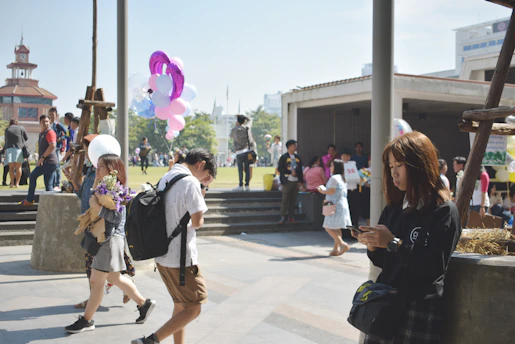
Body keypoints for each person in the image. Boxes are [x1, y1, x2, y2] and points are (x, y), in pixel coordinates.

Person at [352, 131, 461, 344]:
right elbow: (384, 262)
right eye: (390, 167)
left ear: (419, 164)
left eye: (399, 165)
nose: (393, 173)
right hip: (385, 304)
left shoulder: (444, 211)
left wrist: (393, 243)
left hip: (419, 309)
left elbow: (433, 267)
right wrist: (374, 245)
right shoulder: (394, 207)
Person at [132, 148, 216, 344]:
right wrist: (202, 191)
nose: (204, 180)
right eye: (207, 176)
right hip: (181, 257)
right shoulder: (191, 182)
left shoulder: (168, 176)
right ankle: (151, 340)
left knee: (180, 305)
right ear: (201, 165)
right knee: (195, 306)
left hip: (162, 254)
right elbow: (197, 222)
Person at [65, 154, 155, 334]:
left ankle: (87, 320)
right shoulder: (102, 186)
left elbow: (116, 217)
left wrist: (97, 207)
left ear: (112, 170)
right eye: (97, 166)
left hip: (110, 240)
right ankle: (144, 304)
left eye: (101, 166)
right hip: (107, 239)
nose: (97, 169)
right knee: (114, 278)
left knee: (96, 281)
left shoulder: (117, 189)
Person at [65, 134, 136, 309]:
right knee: (104, 271)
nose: (89, 153)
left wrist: (99, 209)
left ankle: (133, 297)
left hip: (107, 233)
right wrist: (74, 182)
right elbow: (85, 197)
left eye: (91, 147)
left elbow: (115, 212)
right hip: (93, 227)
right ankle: (127, 294)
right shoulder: (92, 171)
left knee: (106, 272)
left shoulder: (111, 182)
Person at [18, 115, 59, 206]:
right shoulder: (42, 133)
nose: (46, 123)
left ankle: (29, 199)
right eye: (44, 121)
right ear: (40, 123)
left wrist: (42, 157)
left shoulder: (50, 132)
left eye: (47, 121)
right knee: (48, 185)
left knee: (32, 176)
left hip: (49, 162)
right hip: (49, 163)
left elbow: (52, 145)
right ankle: (52, 204)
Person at [317, 159, 351, 256]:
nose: (330, 167)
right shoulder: (342, 178)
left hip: (334, 205)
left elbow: (332, 191)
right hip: (341, 205)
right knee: (336, 227)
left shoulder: (334, 178)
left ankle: (342, 244)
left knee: (328, 226)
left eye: (332, 165)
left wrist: (322, 190)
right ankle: (335, 249)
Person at [278, 140, 303, 224]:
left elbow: (300, 170)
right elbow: (280, 169)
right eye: (293, 145)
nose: (295, 147)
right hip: (287, 180)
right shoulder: (284, 157)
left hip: (296, 181)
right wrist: (289, 172)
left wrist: (301, 181)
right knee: (285, 199)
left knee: (293, 200)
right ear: (289, 146)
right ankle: (282, 216)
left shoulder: (297, 157)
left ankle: (291, 216)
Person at [229, 114, 255, 191]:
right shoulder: (247, 128)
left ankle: (241, 185)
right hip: (247, 151)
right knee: (247, 169)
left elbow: (231, 136)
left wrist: (236, 125)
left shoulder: (235, 129)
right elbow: (250, 120)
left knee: (240, 169)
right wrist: (244, 117)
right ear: (244, 121)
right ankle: (247, 185)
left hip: (239, 152)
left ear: (237, 121)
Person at [4, 119, 28, 188]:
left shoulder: (7, 129)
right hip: (19, 148)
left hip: (9, 148)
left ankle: (12, 184)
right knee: (18, 167)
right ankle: (17, 184)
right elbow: (26, 138)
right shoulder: (21, 128)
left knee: (11, 167)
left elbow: (6, 140)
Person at [342, 148, 361, 226]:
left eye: (347, 156)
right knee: (346, 212)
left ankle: (354, 230)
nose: (345, 157)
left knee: (354, 212)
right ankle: (345, 232)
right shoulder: (339, 165)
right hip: (345, 192)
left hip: (354, 190)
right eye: (343, 156)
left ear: (349, 157)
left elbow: (357, 178)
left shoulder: (352, 165)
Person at [48, 108, 67, 191]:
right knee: (51, 166)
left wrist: (61, 138)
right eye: (50, 114)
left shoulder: (58, 125)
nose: (52, 116)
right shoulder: (48, 124)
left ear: (56, 115)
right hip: (49, 148)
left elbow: (67, 132)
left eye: (53, 114)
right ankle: (51, 183)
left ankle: (57, 184)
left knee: (57, 166)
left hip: (56, 148)